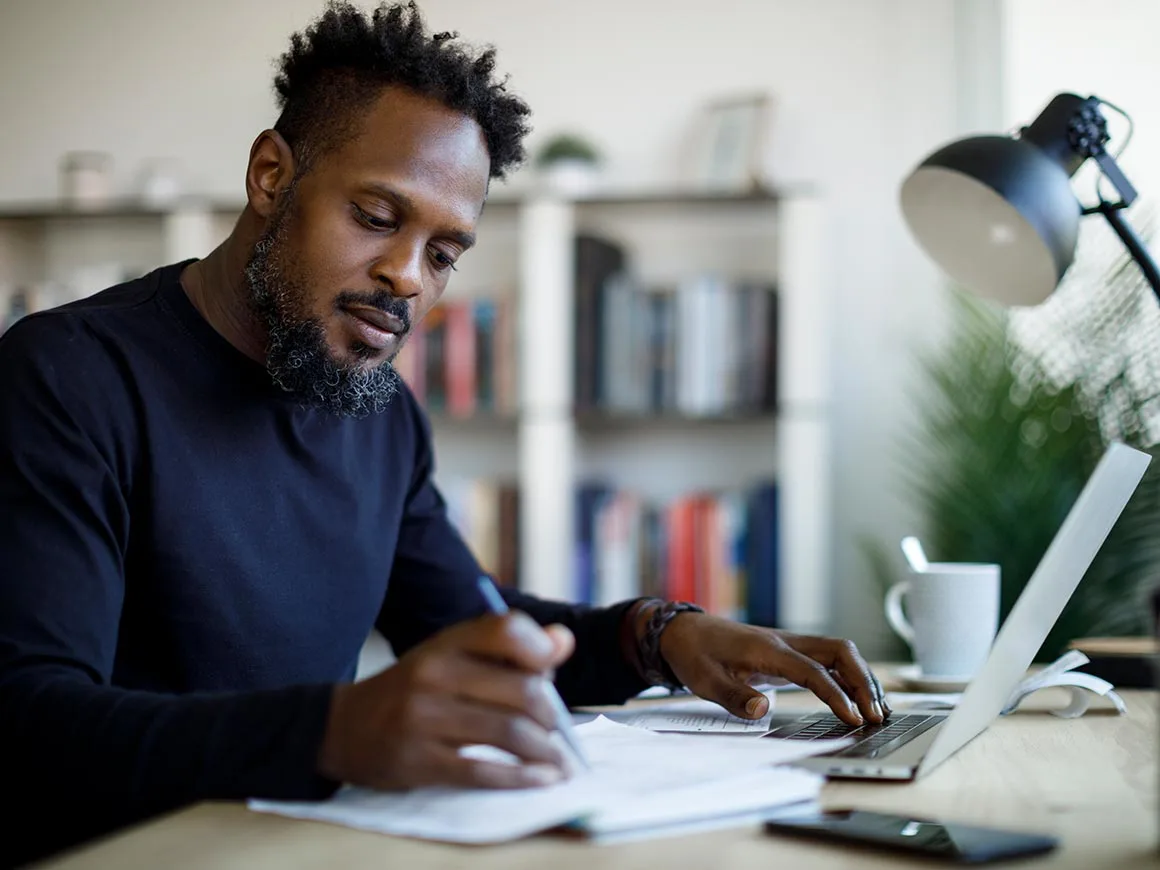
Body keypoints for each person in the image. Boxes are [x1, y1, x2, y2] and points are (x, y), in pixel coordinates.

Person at [0, 2, 888, 864]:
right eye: (378, 218)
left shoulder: (380, 411)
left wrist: (661, 636)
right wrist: (338, 731)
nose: (406, 277)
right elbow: (30, 718)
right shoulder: (67, 377)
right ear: (272, 175)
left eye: (444, 252)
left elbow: (475, 627)